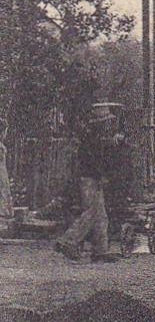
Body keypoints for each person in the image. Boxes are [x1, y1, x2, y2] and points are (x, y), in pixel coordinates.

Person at [56, 107, 121, 261]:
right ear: (100, 124)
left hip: (90, 178)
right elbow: (94, 161)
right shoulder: (94, 140)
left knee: (100, 215)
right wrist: (101, 176)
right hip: (90, 179)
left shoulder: (92, 137)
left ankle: (100, 251)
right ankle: (68, 241)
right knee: (92, 212)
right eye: (106, 122)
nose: (108, 125)